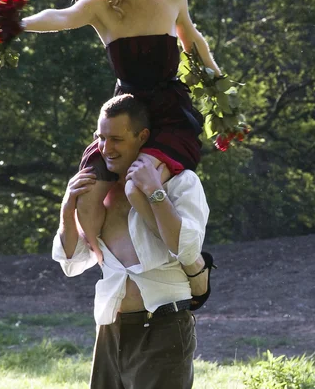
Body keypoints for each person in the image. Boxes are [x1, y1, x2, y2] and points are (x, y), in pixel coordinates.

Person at [22, 0, 221, 261]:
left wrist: (221, 95)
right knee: (86, 194)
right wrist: (15, 25)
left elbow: (193, 41)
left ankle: (184, 264)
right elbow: (60, 17)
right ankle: (107, 263)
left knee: (136, 186)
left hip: (169, 116)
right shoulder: (100, 7)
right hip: (126, 118)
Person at [52, 94, 211, 389]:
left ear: (143, 136)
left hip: (164, 326)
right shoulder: (97, 195)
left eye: (116, 139)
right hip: (110, 329)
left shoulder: (180, 182)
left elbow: (187, 248)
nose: (106, 148)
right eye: (100, 138)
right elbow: (71, 263)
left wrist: (153, 191)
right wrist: (67, 207)